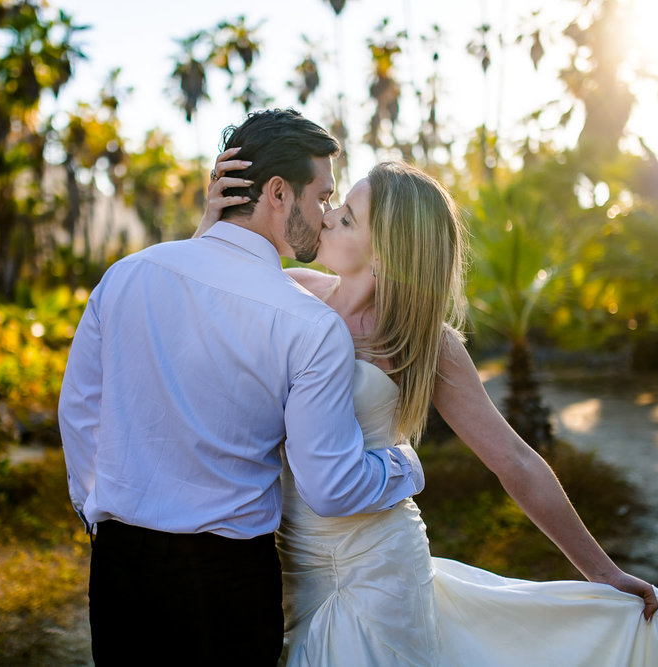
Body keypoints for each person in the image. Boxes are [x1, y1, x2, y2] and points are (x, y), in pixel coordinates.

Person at [202, 156, 658, 666]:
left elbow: (516, 461)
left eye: (347, 218)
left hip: (377, 572)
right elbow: (199, 307)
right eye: (336, 206)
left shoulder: (426, 345)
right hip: (288, 560)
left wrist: (603, 572)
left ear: (387, 254)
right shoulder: (294, 291)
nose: (326, 216)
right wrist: (208, 229)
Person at [57, 109, 426, 667]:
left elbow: (80, 413)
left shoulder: (128, 275)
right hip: (227, 582)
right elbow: (330, 486)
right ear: (278, 192)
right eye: (322, 196)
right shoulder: (307, 323)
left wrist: (98, 515)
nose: (326, 215)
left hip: (118, 569)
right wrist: (406, 465)